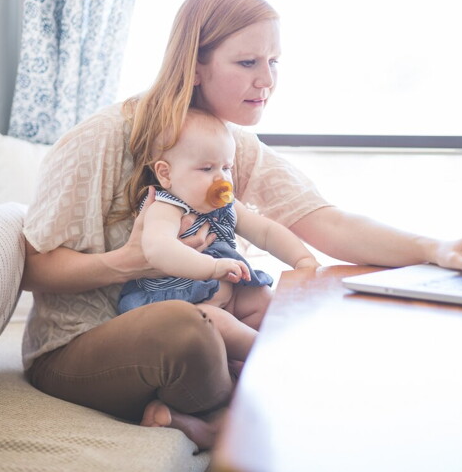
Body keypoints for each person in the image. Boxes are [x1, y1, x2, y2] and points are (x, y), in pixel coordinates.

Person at [21, 0, 462, 451]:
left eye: (273, 62)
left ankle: (222, 416)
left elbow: (323, 221)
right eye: (247, 62)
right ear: (195, 66)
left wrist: (436, 249)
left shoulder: (228, 146)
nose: (266, 80)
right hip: (76, 349)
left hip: (196, 328)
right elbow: (33, 268)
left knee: (292, 316)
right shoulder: (103, 137)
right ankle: (242, 404)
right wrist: (130, 262)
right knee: (189, 327)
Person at [117, 107, 320, 363]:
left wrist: (302, 260)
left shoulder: (226, 204)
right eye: (206, 169)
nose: (220, 179)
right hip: (185, 307)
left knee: (265, 300)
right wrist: (212, 268)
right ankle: (272, 357)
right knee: (217, 324)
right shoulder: (165, 208)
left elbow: (265, 231)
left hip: (229, 294)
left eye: (226, 168)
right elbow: (158, 249)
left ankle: (241, 365)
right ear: (165, 174)